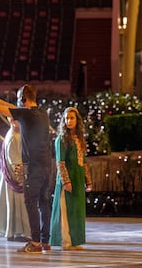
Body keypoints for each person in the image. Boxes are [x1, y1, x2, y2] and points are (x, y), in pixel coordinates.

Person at [0, 84, 54, 254]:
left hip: (34, 167)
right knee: (44, 203)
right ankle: (45, 241)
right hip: (47, 166)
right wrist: (3, 102)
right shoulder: (41, 113)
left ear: (23, 99)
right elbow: (16, 109)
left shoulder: (25, 114)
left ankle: (35, 243)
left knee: (30, 203)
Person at [50, 106, 92, 250]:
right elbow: (60, 162)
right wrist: (66, 181)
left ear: (77, 120)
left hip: (78, 179)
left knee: (77, 211)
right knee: (66, 211)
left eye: (72, 118)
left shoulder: (80, 139)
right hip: (66, 181)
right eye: (66, 118)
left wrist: (88, 181)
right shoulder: (61, 139)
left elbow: (84, 162)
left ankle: (75, 241)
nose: (69, 121)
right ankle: (66, 241)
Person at [0, 118, 31, 241]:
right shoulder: (14, 137)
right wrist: (20, 178)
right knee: (17, 202)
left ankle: (13, 231)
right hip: (14, 175)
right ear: (12, 122)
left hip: (10, 174)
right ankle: (18, 231)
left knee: (12, 202)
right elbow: (15, 160)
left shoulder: (13, 134)